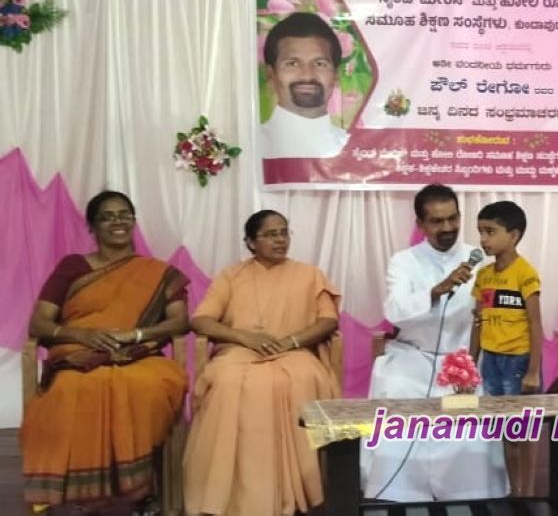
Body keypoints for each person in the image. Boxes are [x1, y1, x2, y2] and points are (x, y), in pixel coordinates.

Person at [21, 190, 189, 516]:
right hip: (80, 354)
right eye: (107, 216)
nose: (118, 221)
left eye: (124, 214)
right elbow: (39, 322)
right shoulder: (73, 267)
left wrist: (135, 334)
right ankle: (89, 493)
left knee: (148, 387)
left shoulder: (158, 272)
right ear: (93, 226)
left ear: (134, 221)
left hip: (139, 354)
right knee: (73, 389)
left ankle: (141, 489)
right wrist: (82, 334)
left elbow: (179, 322)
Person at [183, 210, 341, 516]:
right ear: (251, 242)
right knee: (227, 382)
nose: (280, 240)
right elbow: (201, 320)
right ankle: (232, 493)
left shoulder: (309, 274)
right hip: (239, 352)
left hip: (295, 352)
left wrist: (292, 341)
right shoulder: (231, 276)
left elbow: (328, 320)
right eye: (270, 234)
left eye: (284, 232)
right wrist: (243, 337)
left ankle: (300, 489)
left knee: (301, 379)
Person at [362, 184, 507, 503]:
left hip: (467, 359)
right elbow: (394, 311)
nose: (447, 227)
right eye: (437, 221)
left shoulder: (481, 259)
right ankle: (399, 491)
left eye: (453, 218)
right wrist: (435, 290)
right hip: (414, 358)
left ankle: (469, 493)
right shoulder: (404, 261)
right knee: (395, 387)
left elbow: (500, 311)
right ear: (421, 224)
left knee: (474, 406)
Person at [469, 200, 543, 496]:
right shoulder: (483, 276)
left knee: (523, 430)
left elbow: (535, 324)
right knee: (504, 430)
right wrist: (470, 365)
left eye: (490, 232)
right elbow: (479, 322)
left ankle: (528, 493)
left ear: (513, 235)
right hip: (491, 361)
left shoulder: (525, 273)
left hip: (518, 362)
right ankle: (514, 491)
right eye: (480, 232)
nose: (483, 239)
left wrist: (533, 371)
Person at [259, 11, 349, 158]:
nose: (307, 75)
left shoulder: (351, 146)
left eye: (320, 64)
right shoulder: (248, 146)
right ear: (271, 74)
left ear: (336, 75)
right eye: (292, 64)